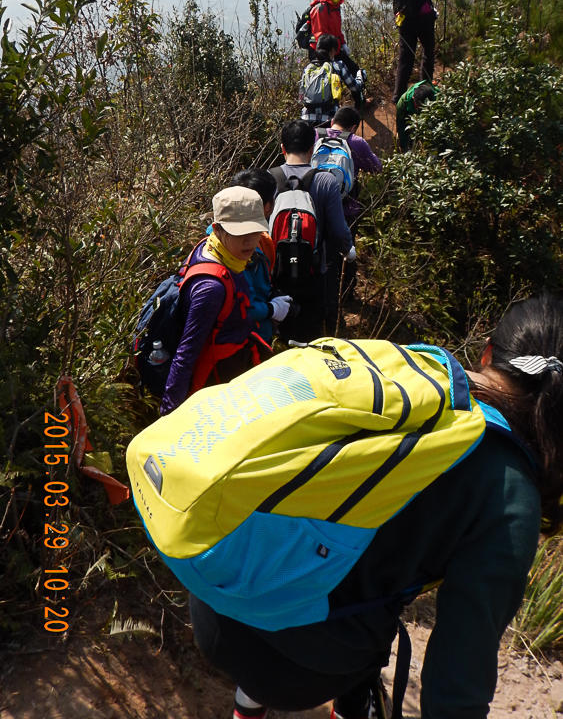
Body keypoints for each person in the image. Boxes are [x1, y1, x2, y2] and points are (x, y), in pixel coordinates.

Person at [189, 292, 563, 719]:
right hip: (300, 666)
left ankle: (248, 706)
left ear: (487, 353)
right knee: (365, 607)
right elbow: (456, 681)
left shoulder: (404, 373)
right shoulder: (511, 495)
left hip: (211, 589)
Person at [160, 186, 271, 415]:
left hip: (229, 376)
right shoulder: (211, 289)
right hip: (214, 392)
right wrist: (169, 414)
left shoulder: (212, 248)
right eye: (240, 233)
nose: (250, 241)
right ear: (218, 229)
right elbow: (186, 353)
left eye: (255, 231)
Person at [269, 120, 354, 343]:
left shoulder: (269, 179)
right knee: (311, 335)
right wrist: (348, 249)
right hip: (315, 271)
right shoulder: (325, 181)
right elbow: (338, 230)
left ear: (282, 148)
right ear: (312, 149)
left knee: (280, 336)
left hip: (276, 272)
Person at [314, 106, 382, 332]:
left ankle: (322, 299)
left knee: (319, 253)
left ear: (332, 119)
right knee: (345, 252)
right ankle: (345, 294)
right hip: (347, 209)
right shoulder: (356, 142)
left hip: (315, 207)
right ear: (353, 126)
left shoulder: (315, 135)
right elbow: (376, 168)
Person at [231, 169, 292, 344]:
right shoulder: (245, 251)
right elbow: (242, 308)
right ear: (267, 206)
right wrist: (272, 309)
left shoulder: (217, 238)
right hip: (246, 344)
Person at [392, 0, 449, 105]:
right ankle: (425, 91)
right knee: (428, 53)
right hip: (423, 18)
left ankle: (397, 96)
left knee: (405, 58)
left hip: (405, 18)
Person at [301, 36, 365, 125]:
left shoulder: (308, 68)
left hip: (306, 120)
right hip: (329, 120)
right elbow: (355, 87)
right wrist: (360, 76)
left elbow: (301, 95)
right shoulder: (337, 66)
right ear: (332, 50)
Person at [395, 80, 438, 152]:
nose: (419, 108)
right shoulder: (402, 103)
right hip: (409, 114)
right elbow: (401, 126)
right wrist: (404, 146)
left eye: (422, 107)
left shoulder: (435, 98)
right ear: (413, 98)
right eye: (417, 105)